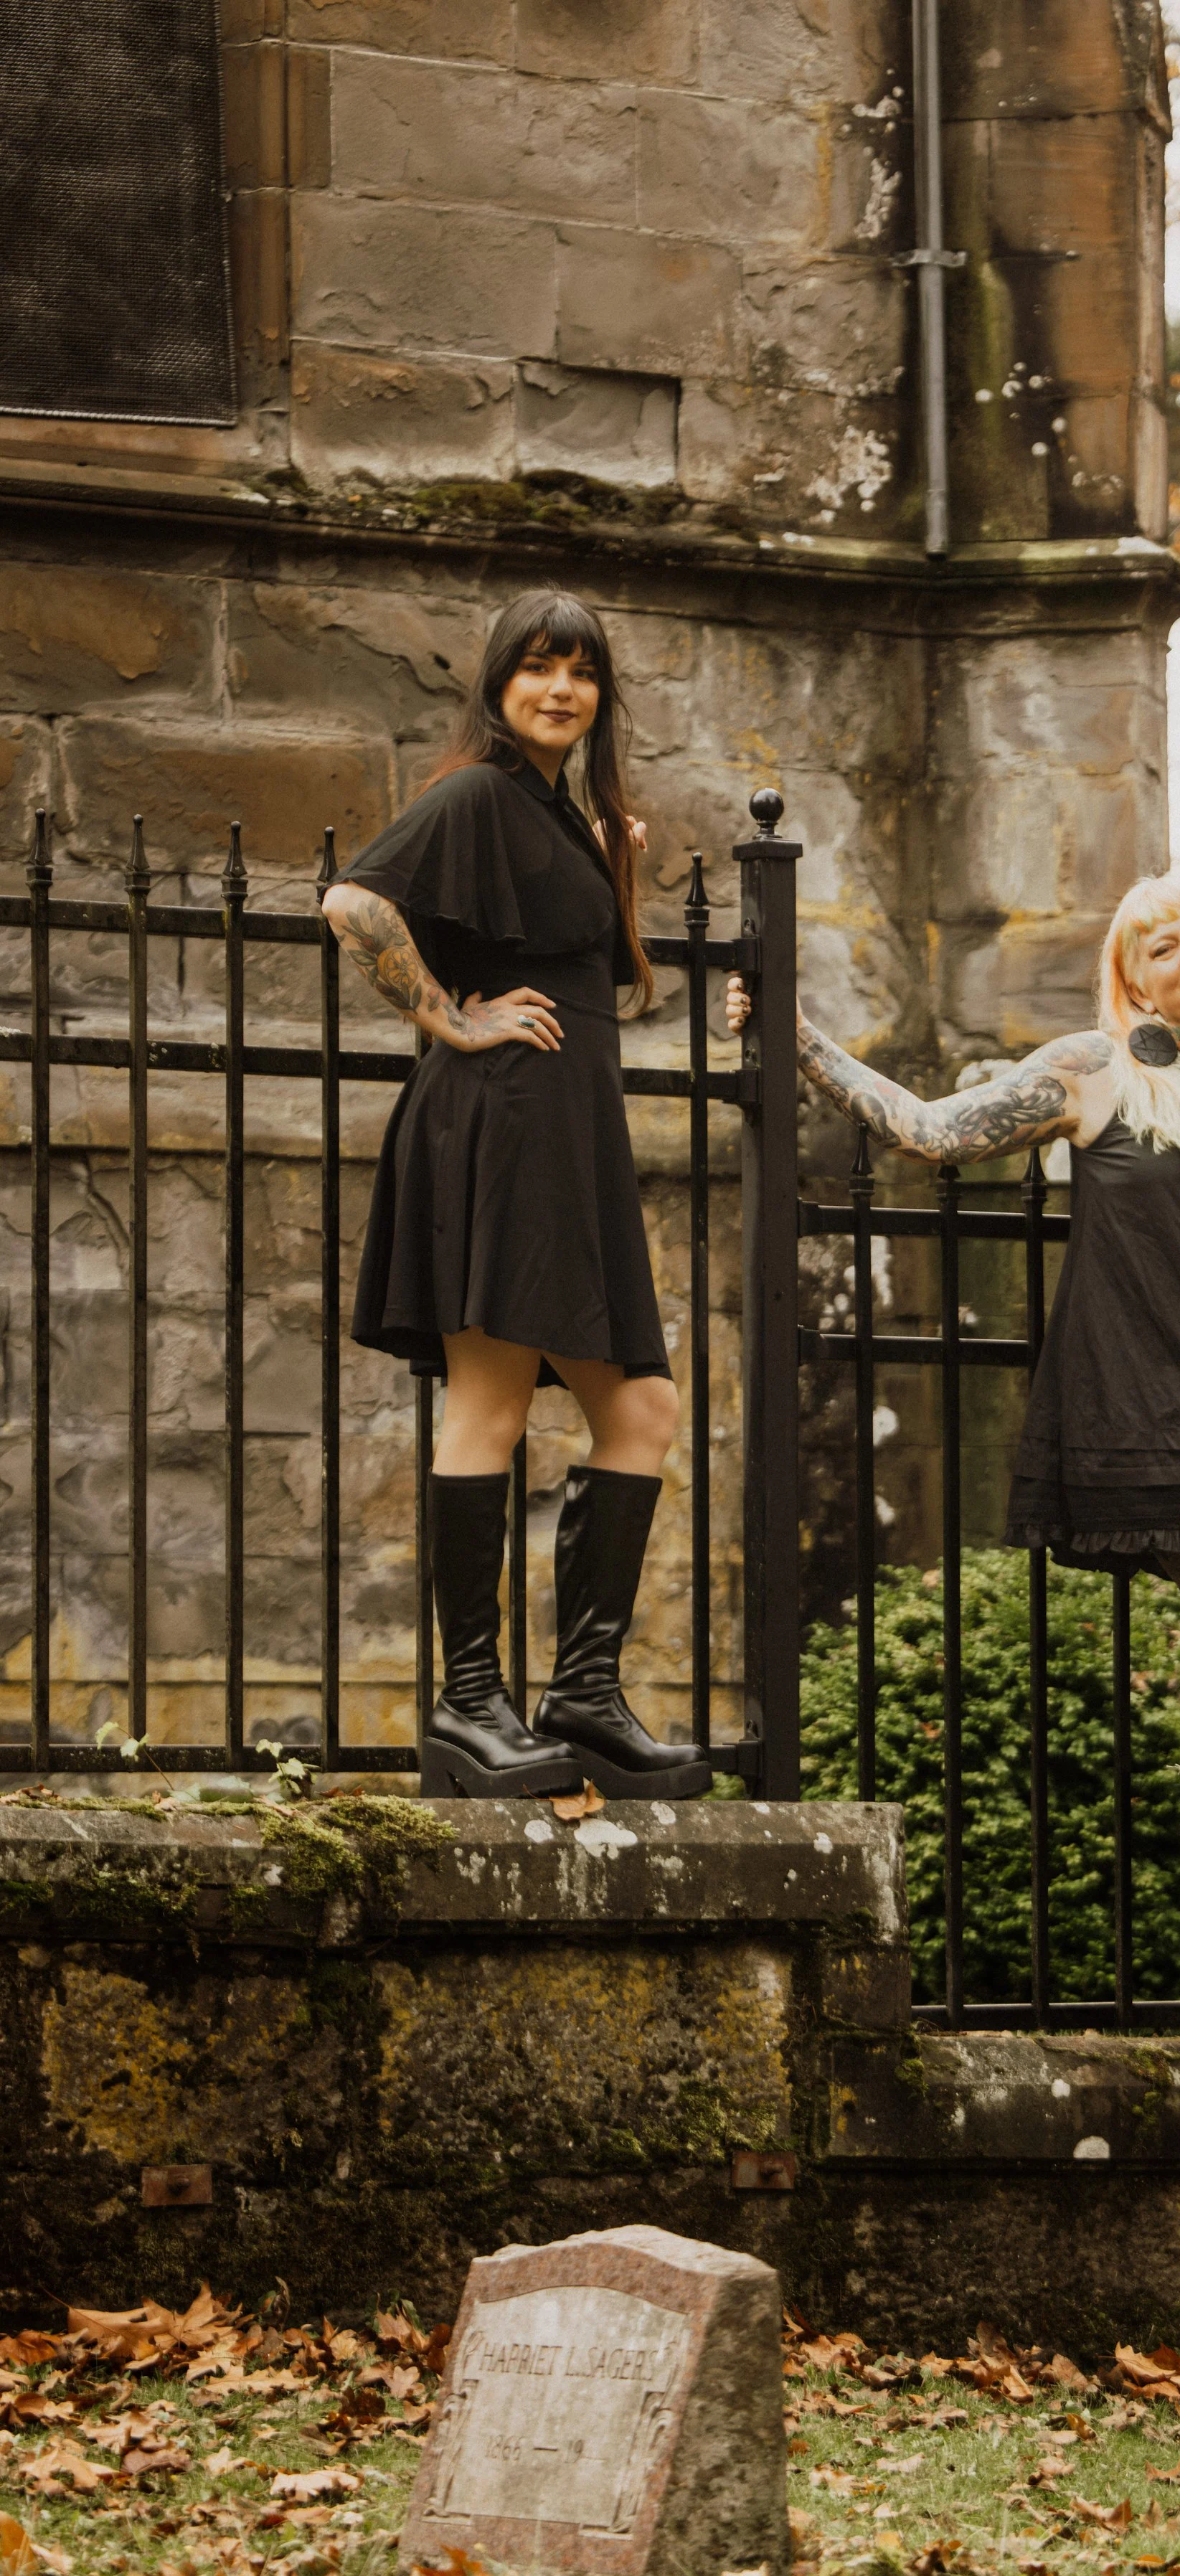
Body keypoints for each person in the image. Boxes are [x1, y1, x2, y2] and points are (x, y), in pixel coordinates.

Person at [727, 874, 1180, 2044]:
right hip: (1165, 1421)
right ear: (1134, 977)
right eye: (1159, 944)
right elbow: (931, 1132)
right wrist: (797, 1038)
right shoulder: (1100, 1073)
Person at [322, 589, 709, 1806]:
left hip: (569, 1143)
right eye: (537, 669)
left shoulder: (570, 815)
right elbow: (352, 901)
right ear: (497, 686)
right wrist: (450, 1016)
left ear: (603, 694)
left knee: (640, 1412)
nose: (560, 690)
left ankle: (583, 1700)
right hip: (501, 1129)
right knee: (488, 1403)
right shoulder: (480, 793)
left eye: (581, 672)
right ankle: (469, 1704)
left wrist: (610, 859)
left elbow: (602, 973)